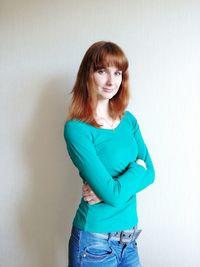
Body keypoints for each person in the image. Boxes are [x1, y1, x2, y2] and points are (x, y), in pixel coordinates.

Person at [64, 41, 155, 267]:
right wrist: (136, 170)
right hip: (93, 244)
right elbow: (116, 193)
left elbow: (151, 173)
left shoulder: (129, 120)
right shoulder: (77, 129)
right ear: (88, 74)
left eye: (117, 72)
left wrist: (108, 189)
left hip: (130, 240)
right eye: (102, 71)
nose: (111, 81)